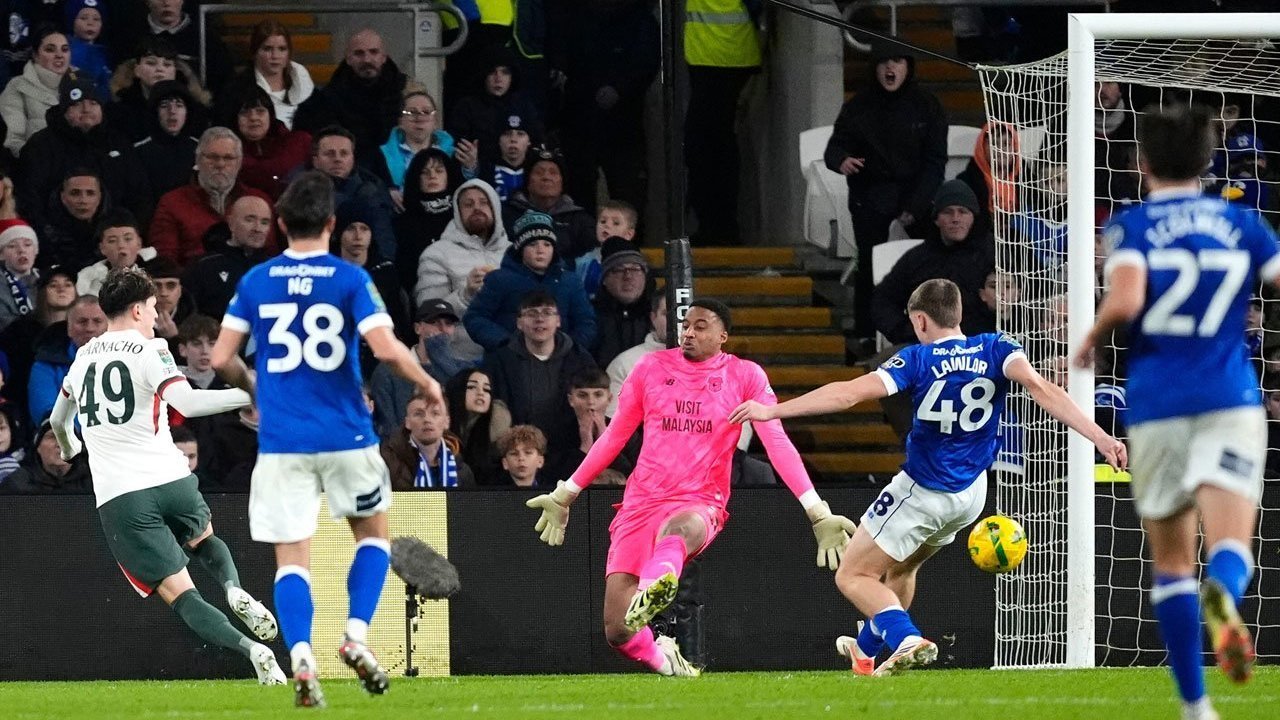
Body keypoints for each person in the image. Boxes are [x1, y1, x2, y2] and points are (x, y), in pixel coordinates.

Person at [732, 279, 1125, 677]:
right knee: (902, 569)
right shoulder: (997, 346)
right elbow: (1040, 388)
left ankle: (907, 639)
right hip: (971, 494)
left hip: (922, 491)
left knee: (853, 574)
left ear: (920, 320)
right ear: (958, 313)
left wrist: (773, 411)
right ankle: (865, 652)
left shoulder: (916, 359)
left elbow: (848, 394)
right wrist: (1101, 437)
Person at [1073, 104, 1280, 720]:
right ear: (1208, 161)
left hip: (1157, 405)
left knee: (1170, 564)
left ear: (1142, 163)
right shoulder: (1242, 223)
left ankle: (1196, 706)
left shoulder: (1133, 226)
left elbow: (1127, 299)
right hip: (1230, 400)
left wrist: (1092, 336)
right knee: (1232, 543)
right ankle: (1225, 592)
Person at [210, 170, 444, 708]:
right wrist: (427, 382)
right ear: (332, 224)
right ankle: (356, 636)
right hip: (346, 435)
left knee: (292, 558)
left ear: (281, 223)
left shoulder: (257, 280)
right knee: (373, 537)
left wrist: (253, 385)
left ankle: (301, 656)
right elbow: (384, 348)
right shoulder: (349, 279)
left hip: (282, 441)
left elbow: (221, 358)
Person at [524, 298, 858, 676]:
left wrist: (817, 512)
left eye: (701, 326)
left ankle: (654, 587)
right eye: (686, 325)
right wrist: (565, 493)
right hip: (641, 501)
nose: (689, 332)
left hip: (700, 500)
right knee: (617, 630)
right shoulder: (651, 368)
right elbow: (615, 436)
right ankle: (666, 659)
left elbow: (777, 444)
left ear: (723, 336)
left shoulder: (744, 376)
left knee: (679, 531)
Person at [46, 266, 286, 684]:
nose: (157, 316)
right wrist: (249, 393)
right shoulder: (151, 349)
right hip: (171, 478)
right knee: (205, 540)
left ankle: (253, 651)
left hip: (122, 496)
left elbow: (58, 420)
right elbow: (187, 404)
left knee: (181, 594)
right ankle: (233, 588)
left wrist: (69, 448)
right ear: (138, 310)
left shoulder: (82, 358)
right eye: (154, 307)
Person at [824, 42, 947, 344]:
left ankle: (934, 328)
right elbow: (835, 147)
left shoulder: (927, 105)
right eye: (883, 62)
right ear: (874, 68)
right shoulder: (859, 106)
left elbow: (935, 161)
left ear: (908, 66)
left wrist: (916, 205)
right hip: (870, 194)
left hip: (917, 193)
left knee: (931, 263)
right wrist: (842, 160)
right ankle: (866, 333)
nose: (890, 68)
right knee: (868, 264)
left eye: (897, 61)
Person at [464, 210, 597, 353]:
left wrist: (568, 350)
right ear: (520, 249)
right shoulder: (499, 280)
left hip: (562, 361)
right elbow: (475, 317)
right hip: (509, 361)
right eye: (533, 244)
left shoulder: (571, 281)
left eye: (547, 244)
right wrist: (506, 344)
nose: (540, 250)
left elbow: (586, 322)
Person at [292, 29, 409, 156]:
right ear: (348, 59)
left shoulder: (406, 94)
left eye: (373, 52)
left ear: (384, 57)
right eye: (359, 53)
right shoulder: (326, 101)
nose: (367, 60)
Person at [183, 195, 273, 320]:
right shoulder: (203, 267)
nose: (258, 229)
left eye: (264, 222)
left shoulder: (275, 268)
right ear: (231, 223)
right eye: (250, 220)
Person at [215, 19, 315, 130]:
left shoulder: (303, 85)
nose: (275, 56)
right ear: (255, 52)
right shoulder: (235, 90)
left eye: (282, 49)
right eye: (267, 49)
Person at [381, 390, 474, 489]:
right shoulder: (388, 464)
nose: (427, 420)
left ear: (447, 422)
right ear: (407, 422)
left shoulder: (462, 471)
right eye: (418, 414)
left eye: (435, 413)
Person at [0, 26, 70, 154]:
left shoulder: (82, 83)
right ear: (35, 55)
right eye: (50, 49)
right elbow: (13, 140)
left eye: (64, 49)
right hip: (37, 161)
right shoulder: (17, 87)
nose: (59, 55)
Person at [75, 209, 154, 297]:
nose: (121, 245)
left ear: (139, 243)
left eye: (128, 239)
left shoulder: (153, 268)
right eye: (112, 241)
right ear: (102, 248)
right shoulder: (88, 277)